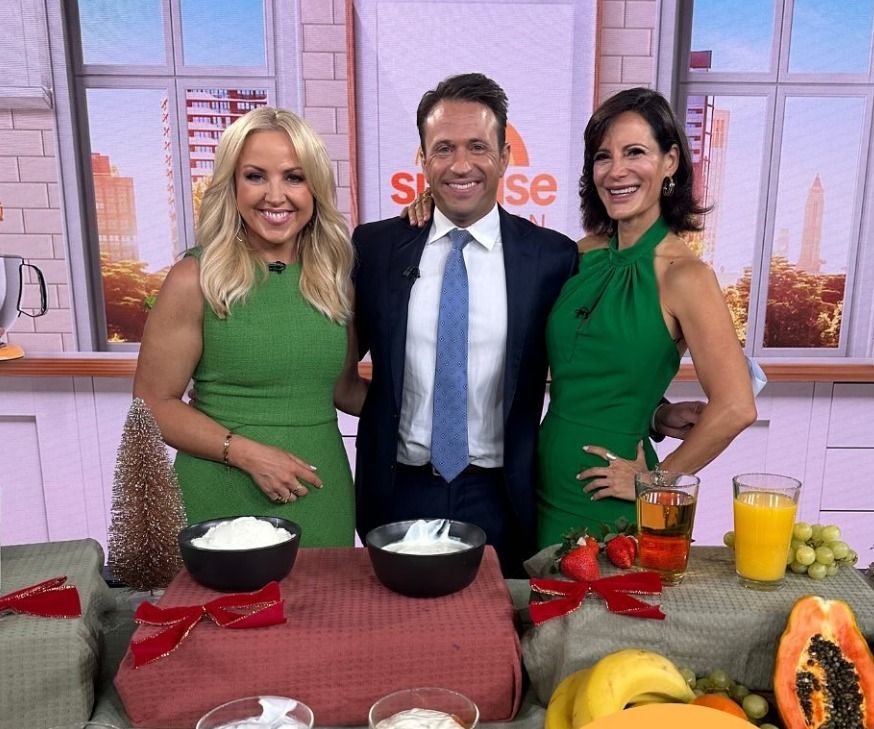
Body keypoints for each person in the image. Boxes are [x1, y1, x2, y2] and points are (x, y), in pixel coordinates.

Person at [352, 74, 695, 575]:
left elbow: (588, 353)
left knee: (507, 620)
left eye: (478, 147)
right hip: (397, 488)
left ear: (505, 156)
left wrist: (653, 414)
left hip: (506, 496)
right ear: (423, 159)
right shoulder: (376, 247)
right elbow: (335, 369)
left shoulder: (554, 258)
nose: (461, 164)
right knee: (395, 622)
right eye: (444, 148)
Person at [134, 107, 366, 547]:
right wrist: (249, 454)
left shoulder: (335, 282)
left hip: (321, 495)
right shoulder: (194, 278)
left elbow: (345, 390)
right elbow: (152, 403)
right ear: (233, 186)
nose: (275, 196)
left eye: (294, 177)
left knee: (327, 594)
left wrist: (432, 411)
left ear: (315, 188)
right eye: (255, 176)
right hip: (220, 497)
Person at [536, 87, 757, 545]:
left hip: (609, 501)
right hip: (537, 484)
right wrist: (657, 413)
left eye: (634, 152)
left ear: (670, 161)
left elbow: (737, 406)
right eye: (603, 156)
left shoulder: (686, 276)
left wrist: (655, 483)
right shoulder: (580, 255)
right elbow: (586, 370)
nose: (616, 170)